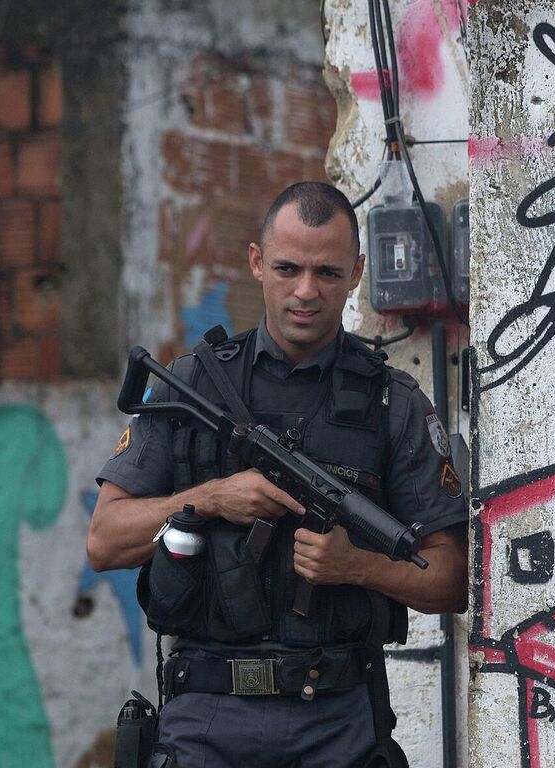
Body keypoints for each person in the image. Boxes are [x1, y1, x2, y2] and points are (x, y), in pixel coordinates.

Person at [88, 181, 469, 767]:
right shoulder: (192, 385)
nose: (306, 292)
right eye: (288, 268)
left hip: (336, 721)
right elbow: (104, 540)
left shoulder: (392, 403)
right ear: (256, 262)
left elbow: (449, 578)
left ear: (358, 272)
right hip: (206, 718)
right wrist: (213, 497)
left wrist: (358, 566)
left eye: (328, 274)